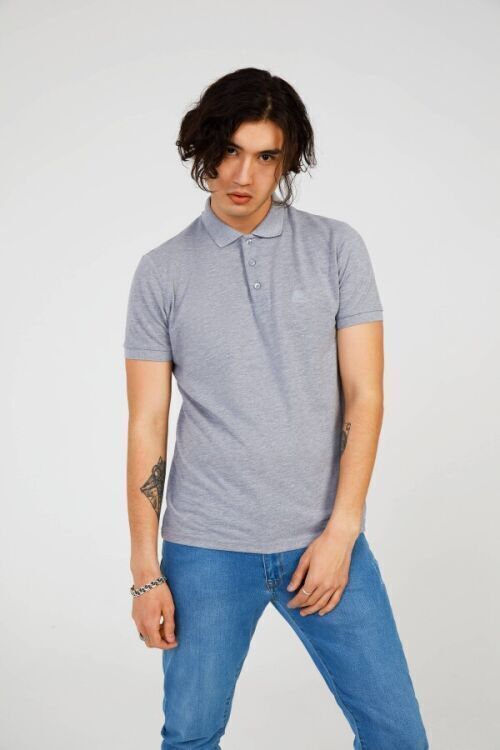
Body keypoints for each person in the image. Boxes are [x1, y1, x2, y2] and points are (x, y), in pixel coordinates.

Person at [123, 67, 429, 749]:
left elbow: (365, 396)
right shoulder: (162, 271)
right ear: (203, 149)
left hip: (323, 540)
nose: (244, 175)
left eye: (266, 157)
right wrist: (146, 573)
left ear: (287, 162)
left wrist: (342, 532)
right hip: (205, 548)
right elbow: (146, 424)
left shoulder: (336, 248)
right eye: (231, 151)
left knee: (398, 736)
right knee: (191, 737)